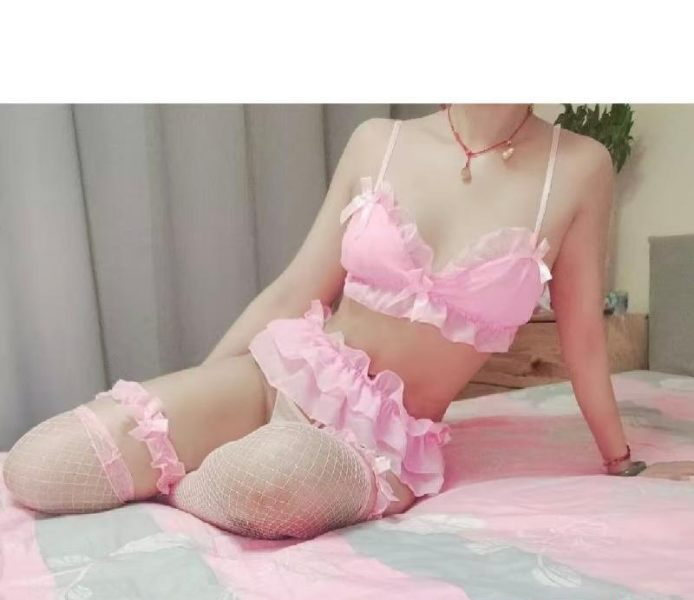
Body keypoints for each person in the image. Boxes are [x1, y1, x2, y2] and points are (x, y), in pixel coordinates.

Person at [4, 104, 683, 541]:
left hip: (382, 443)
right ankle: (197, 464)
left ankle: (196, 485)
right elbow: (295, 290)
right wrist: (201, 394)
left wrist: (620, 461)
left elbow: (583, 340)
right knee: (42, 464)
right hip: (283, 374)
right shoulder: (378, 141)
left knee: (270, 476)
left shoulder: (579, 168)